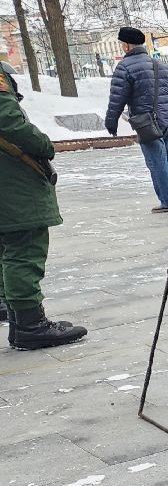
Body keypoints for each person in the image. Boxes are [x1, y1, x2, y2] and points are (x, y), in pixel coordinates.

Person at [0, 66, 86, 348]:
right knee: (24, 249)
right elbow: (8, 120)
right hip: (11, 179)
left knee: (9, 249)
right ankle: (30, 325)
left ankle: (19, 323)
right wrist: (44, 145)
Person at [105, 26, 168, 213]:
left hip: (147, 122)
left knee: (156, 161)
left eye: (122, 44)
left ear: (126, 45)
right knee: (165, 155)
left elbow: (117, 98)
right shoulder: (163, 65)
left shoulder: (124, 67)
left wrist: (111, 121)